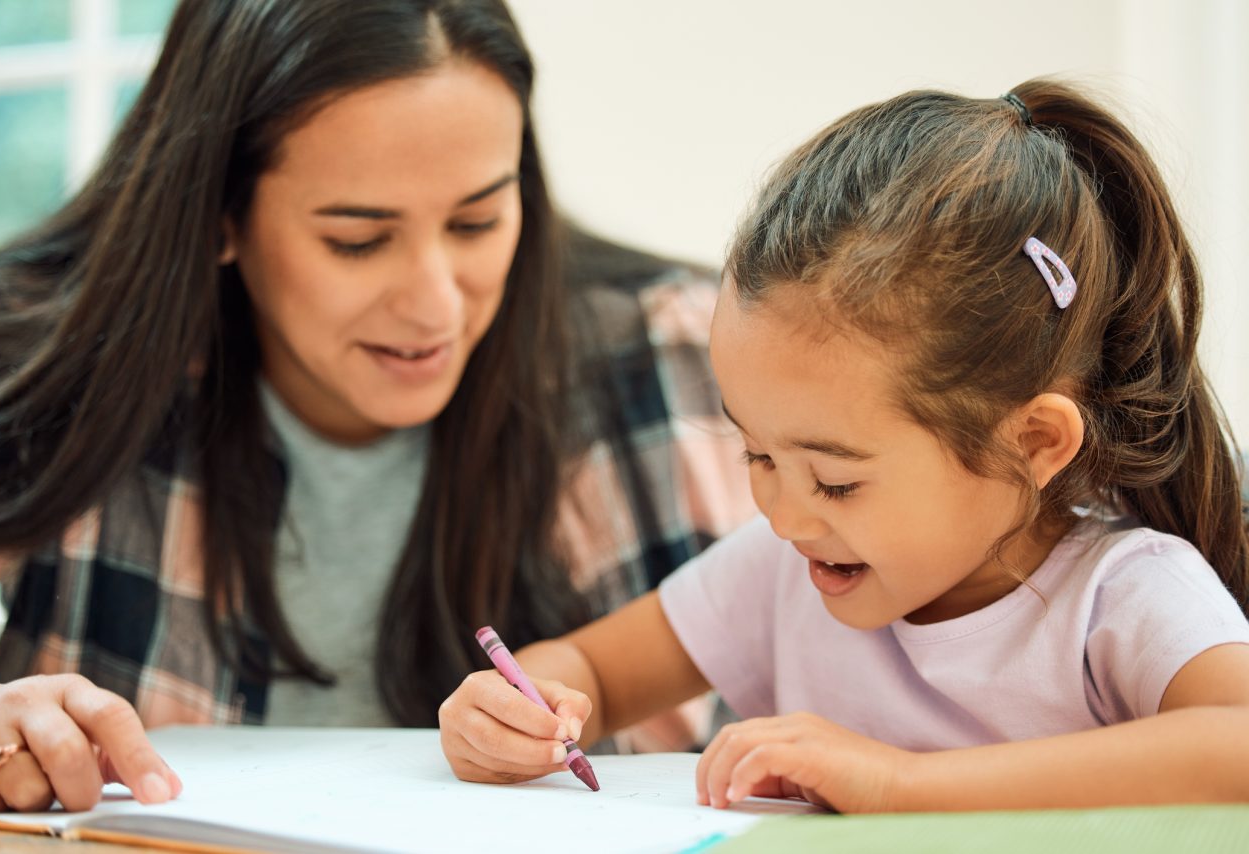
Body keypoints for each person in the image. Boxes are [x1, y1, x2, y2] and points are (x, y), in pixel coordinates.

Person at [0, 0, 753, 814]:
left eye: (478, 220)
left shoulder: (688, 354)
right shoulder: (44, 354)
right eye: (357, 240)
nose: (435, 306)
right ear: (218, 215)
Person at [439, 79, 1249, 810]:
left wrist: (902, 784)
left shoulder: (1120, 597)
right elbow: (596, 671)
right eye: (756, 456)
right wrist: (523, 708)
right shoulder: (780, 573)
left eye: (835, 481)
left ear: (1034, 442)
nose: (784, 515)